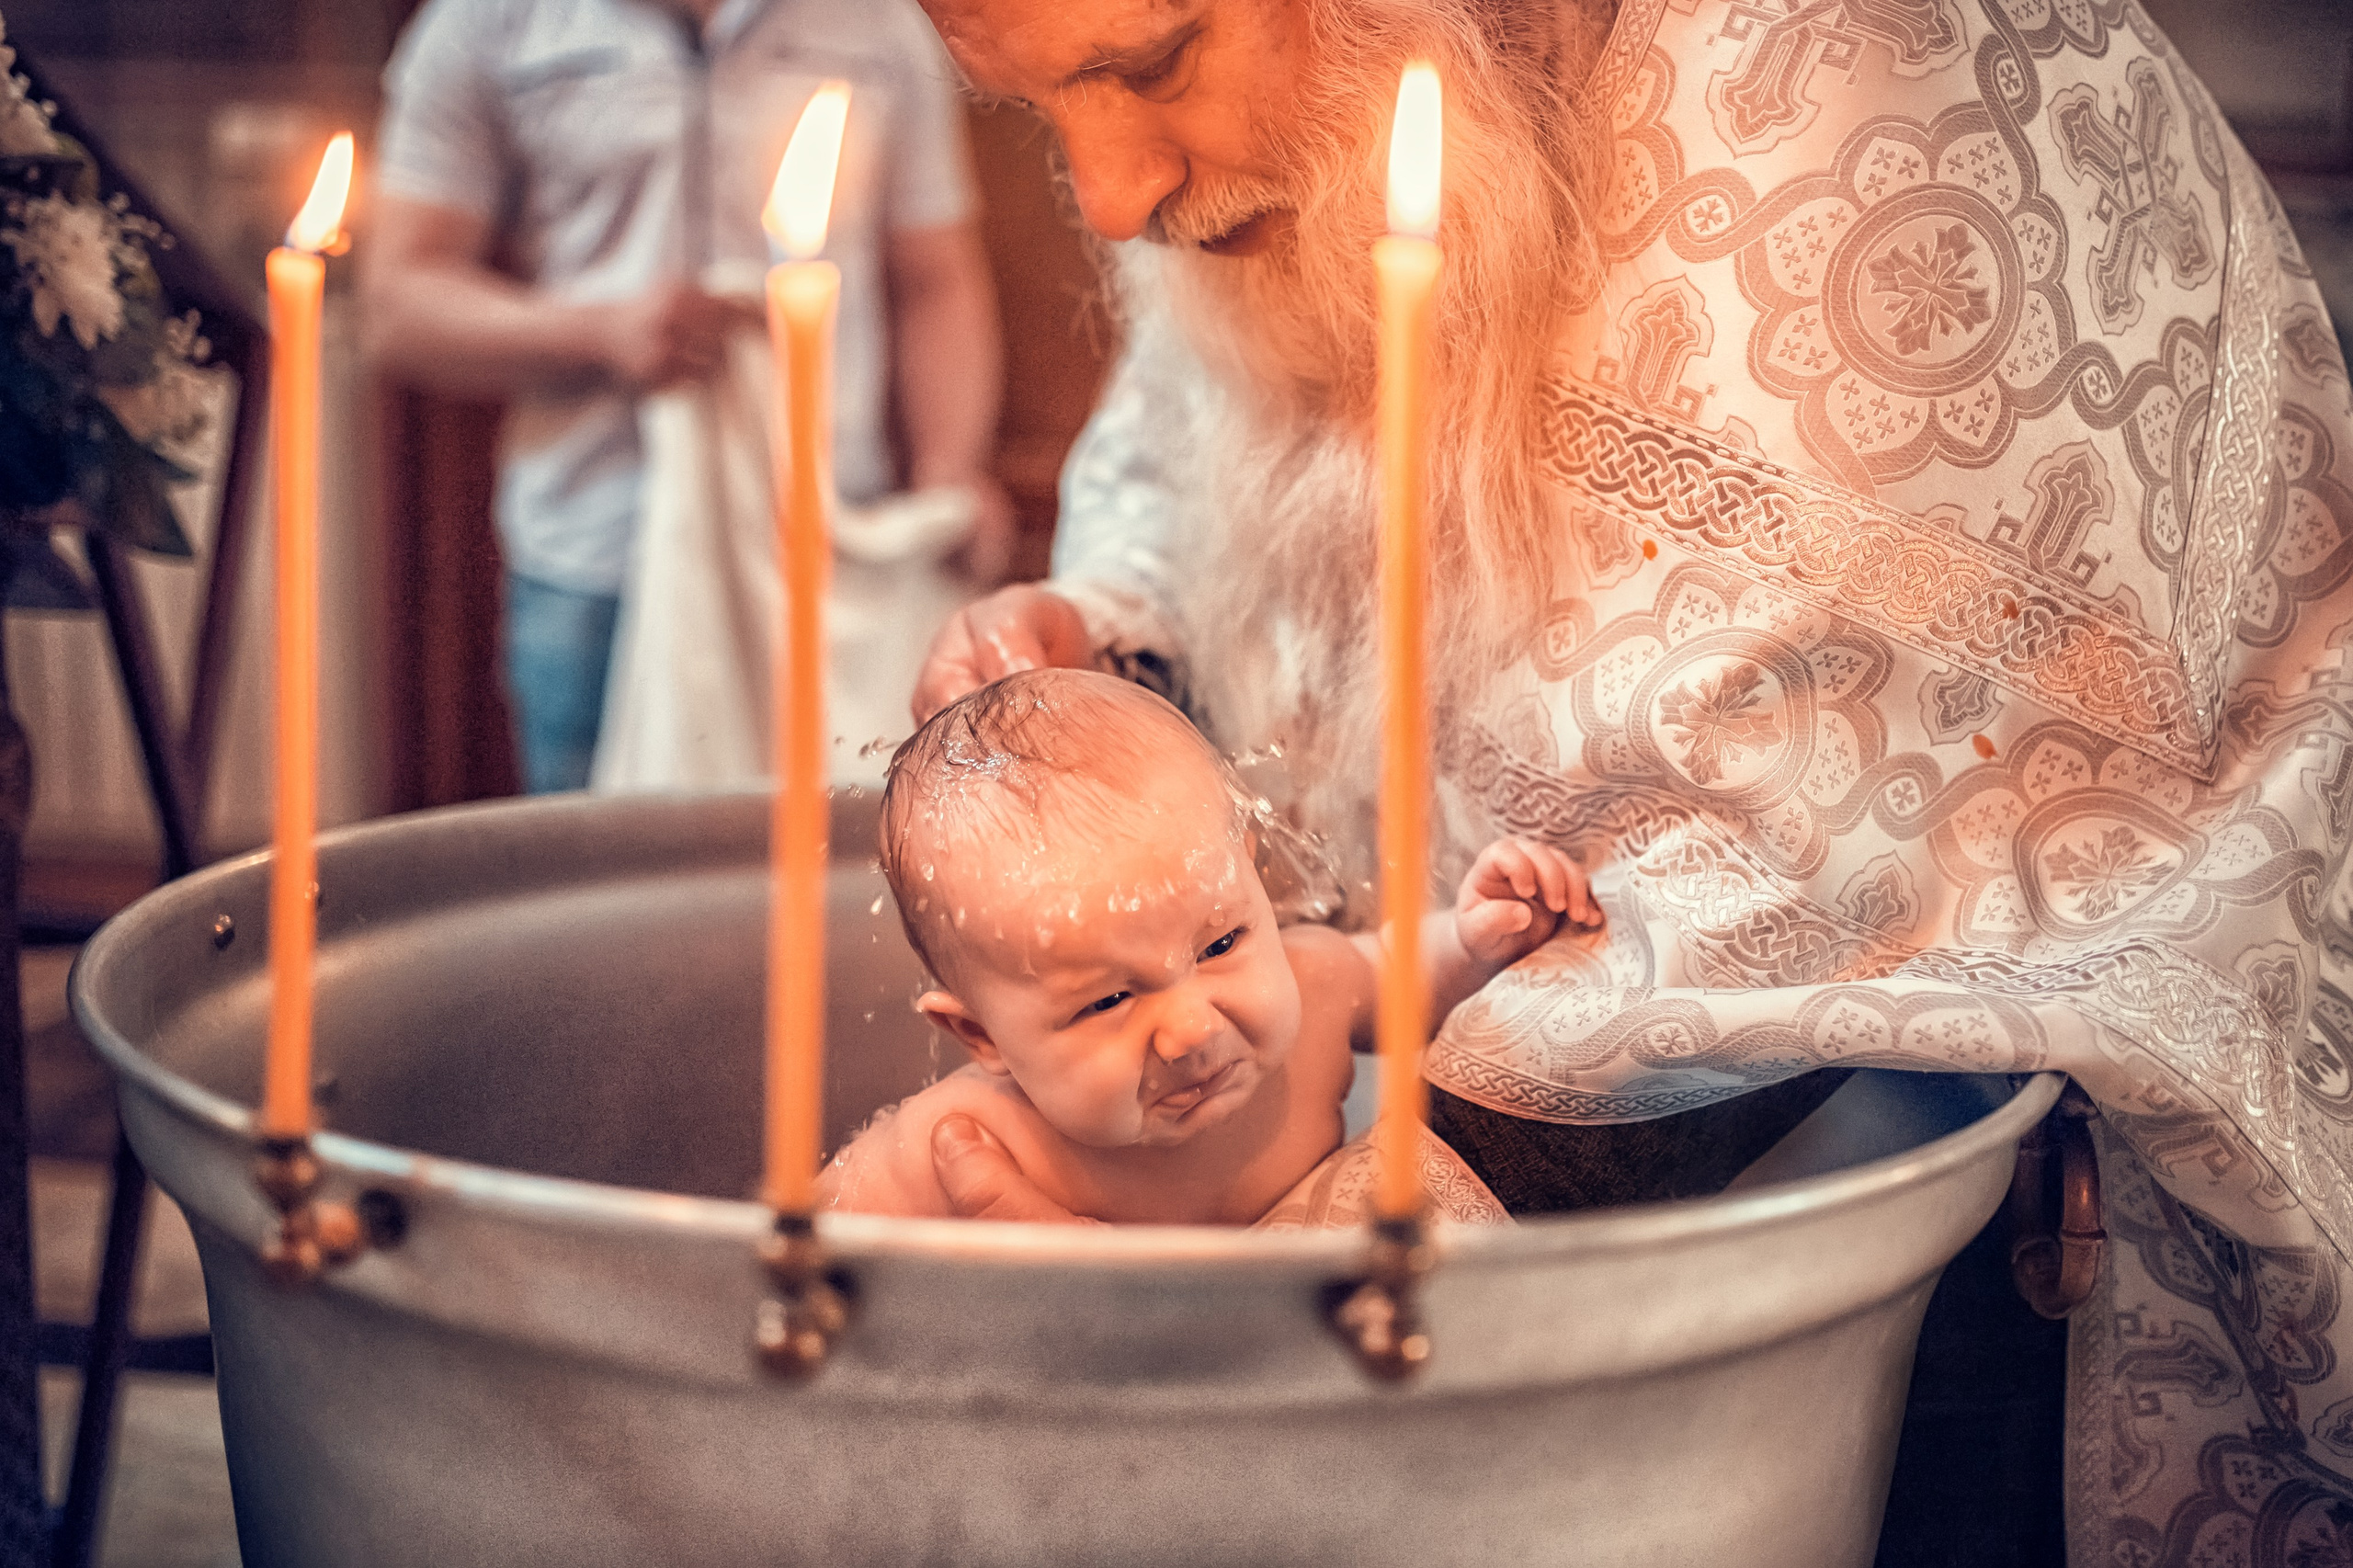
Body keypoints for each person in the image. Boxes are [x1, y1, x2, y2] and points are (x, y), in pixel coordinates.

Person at [900, 0, 2353, 1559]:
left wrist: (1233, 1301)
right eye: (1037, 104)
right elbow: (1233, 450)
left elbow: (1807, 852)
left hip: (1956, 1272)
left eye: (1146, 63)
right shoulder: (1331, 122)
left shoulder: (1862, 77)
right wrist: (1115, 663)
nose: (1107, 194)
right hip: (1474, 1193)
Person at [364, 0, 1009, 791]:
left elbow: (934, 279)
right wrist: (602, 333)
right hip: (598, 557)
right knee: (606, 893)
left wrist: (950, 468)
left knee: (835, 880)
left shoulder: (877, 21)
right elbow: (396, 301)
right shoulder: (484, 23)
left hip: (827, 552)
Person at [826, 667, 1592, 1223]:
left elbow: (1395, 975)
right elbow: (804, 1249)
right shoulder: (969, 1143)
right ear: (981, 1036)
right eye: (1108, 1000)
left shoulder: (1317, 987)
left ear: (1258, 884)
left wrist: (1476, 940)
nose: (1191, 1029)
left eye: (1221, 941)